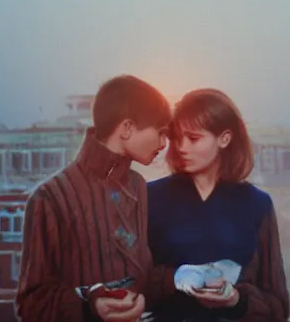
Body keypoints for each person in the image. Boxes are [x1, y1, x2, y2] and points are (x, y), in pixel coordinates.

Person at [16, 75, 182, 321]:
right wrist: (89, 307)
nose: (163, 143)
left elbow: (141, 276)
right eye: (160, 132)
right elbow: (31, 304)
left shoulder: (137, 186)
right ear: (127, 128)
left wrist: (181, 277)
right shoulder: (49, 197)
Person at [147, 88, 290, 321]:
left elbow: (278, 307)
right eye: (177, 137)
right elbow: (132, 282)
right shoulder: (151, 198)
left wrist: (236, 299)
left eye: (193, 138)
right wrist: (175, 278)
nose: (182, 147)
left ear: (224, 138)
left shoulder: (257, 205)